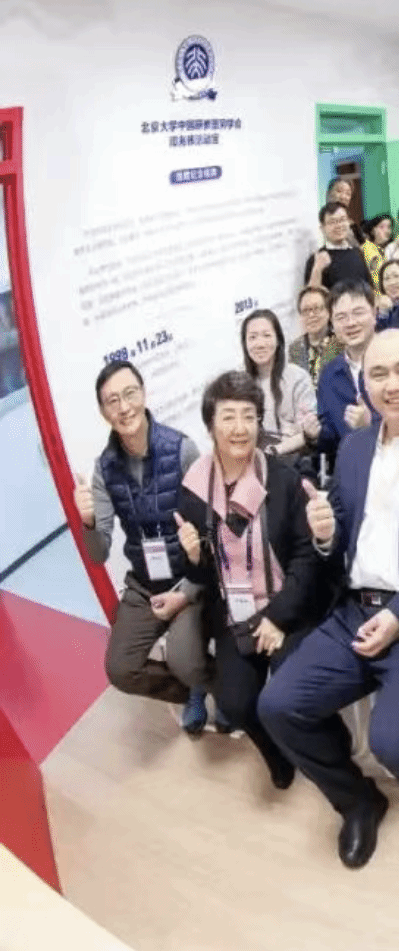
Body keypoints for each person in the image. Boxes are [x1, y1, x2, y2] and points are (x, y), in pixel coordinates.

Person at [258, 330, 399, 874]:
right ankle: (357, 800)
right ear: (364, 384)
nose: (392, 384)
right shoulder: (355, 447)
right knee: (278, 706)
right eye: (378, 374)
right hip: (353, 612)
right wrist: (324, 534)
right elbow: (338, 542)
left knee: (396, 743)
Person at [176, 371, 324, 790]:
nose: (240, 428)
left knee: (290, 694)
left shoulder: (282, 479)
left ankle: (312, 753)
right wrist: (192, 557)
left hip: (285, 605)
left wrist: (278, 617)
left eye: (248, 416)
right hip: (234, 612)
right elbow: (203, 576)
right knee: (236, 703)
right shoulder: (194, 490)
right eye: (228, 417)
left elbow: (306, 558)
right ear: (211, 425)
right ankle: (275, 755)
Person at [82, 361, 211, 733]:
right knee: (120, 670)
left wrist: (188, 592)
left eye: (129, 394)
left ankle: (219, 682)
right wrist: (88, 522)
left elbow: (210, 530)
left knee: (185, 660)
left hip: (187, 578)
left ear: (143, 394)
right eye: (112, 401)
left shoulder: (181, 448)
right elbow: (98, 553)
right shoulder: (104, 469)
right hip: (145, 584)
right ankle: (190, 690)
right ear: (103, 411)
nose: (124, 408)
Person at [315, 282, 380, 465]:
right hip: (351, 470)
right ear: (332, 324)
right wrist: (313, 433)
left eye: (358, 313)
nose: (350, 323)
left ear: (374, 313)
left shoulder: (398, 358)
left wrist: (372, 423)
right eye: (341, 317)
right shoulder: (329, 374)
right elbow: (330, 438)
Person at [240, 309, 318, 462]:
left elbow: (308, 432)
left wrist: (274, 451)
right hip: (252, 461)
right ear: (245, 343)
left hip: (292, 458)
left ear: (278, 340)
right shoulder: (241, 383)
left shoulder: (297, 377)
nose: (260, 344)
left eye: (267, 335)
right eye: (252, 337)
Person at [305, 202, 371, 291]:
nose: (339, 225)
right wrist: (317, 269)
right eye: (332, 222)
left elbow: (369, 287)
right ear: (322, 228)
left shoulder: (358, 252)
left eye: (342, 220)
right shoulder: (317, 258)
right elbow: (310, 295)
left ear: (349, 222)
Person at [287, 286, 343, 386]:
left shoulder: (342, 343)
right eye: (306, 310)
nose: (311, 315)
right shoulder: (295, 348)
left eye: (316, 309)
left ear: (329, 312)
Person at [361, 212, 393, 279]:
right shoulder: (368, 248)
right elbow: (376, 276)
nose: (387, 231)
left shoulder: (383, 249)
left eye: (389, 227)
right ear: (373, 230)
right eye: (381, 227)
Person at [376, 259, 399, 323]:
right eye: (387, 278)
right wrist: (383, 312)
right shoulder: (378, 311)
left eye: (396, 276)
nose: (392, 283)